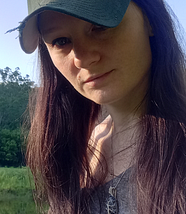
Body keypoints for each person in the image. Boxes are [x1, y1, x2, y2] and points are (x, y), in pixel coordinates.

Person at [16, 0, 186, 213]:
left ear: (149, 20)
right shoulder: (82, 146)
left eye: (99, 26)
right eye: (61, 41)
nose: (82, 59)